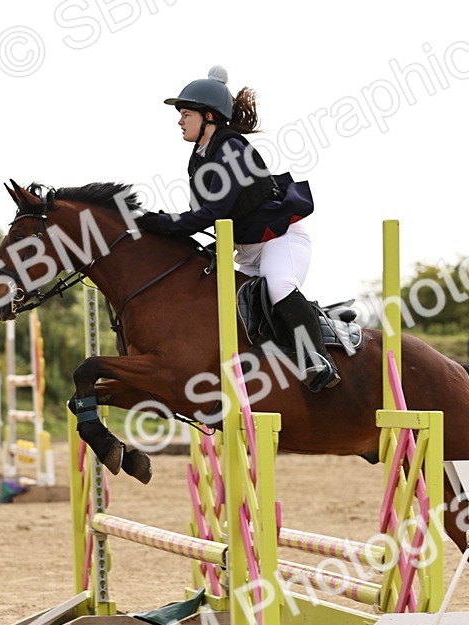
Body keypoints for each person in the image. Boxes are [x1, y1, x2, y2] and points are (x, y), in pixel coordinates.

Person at [133, 66, 339, 392]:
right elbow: (206, 215)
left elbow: (210, 212)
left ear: (209, 117)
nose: (180, 120)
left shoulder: (231, 150)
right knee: (230, 306)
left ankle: (316, 358)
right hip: (246, 247)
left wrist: (157, 222)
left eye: (186, 114)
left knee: (279, 285)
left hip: (279, 240)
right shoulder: (200, 156)